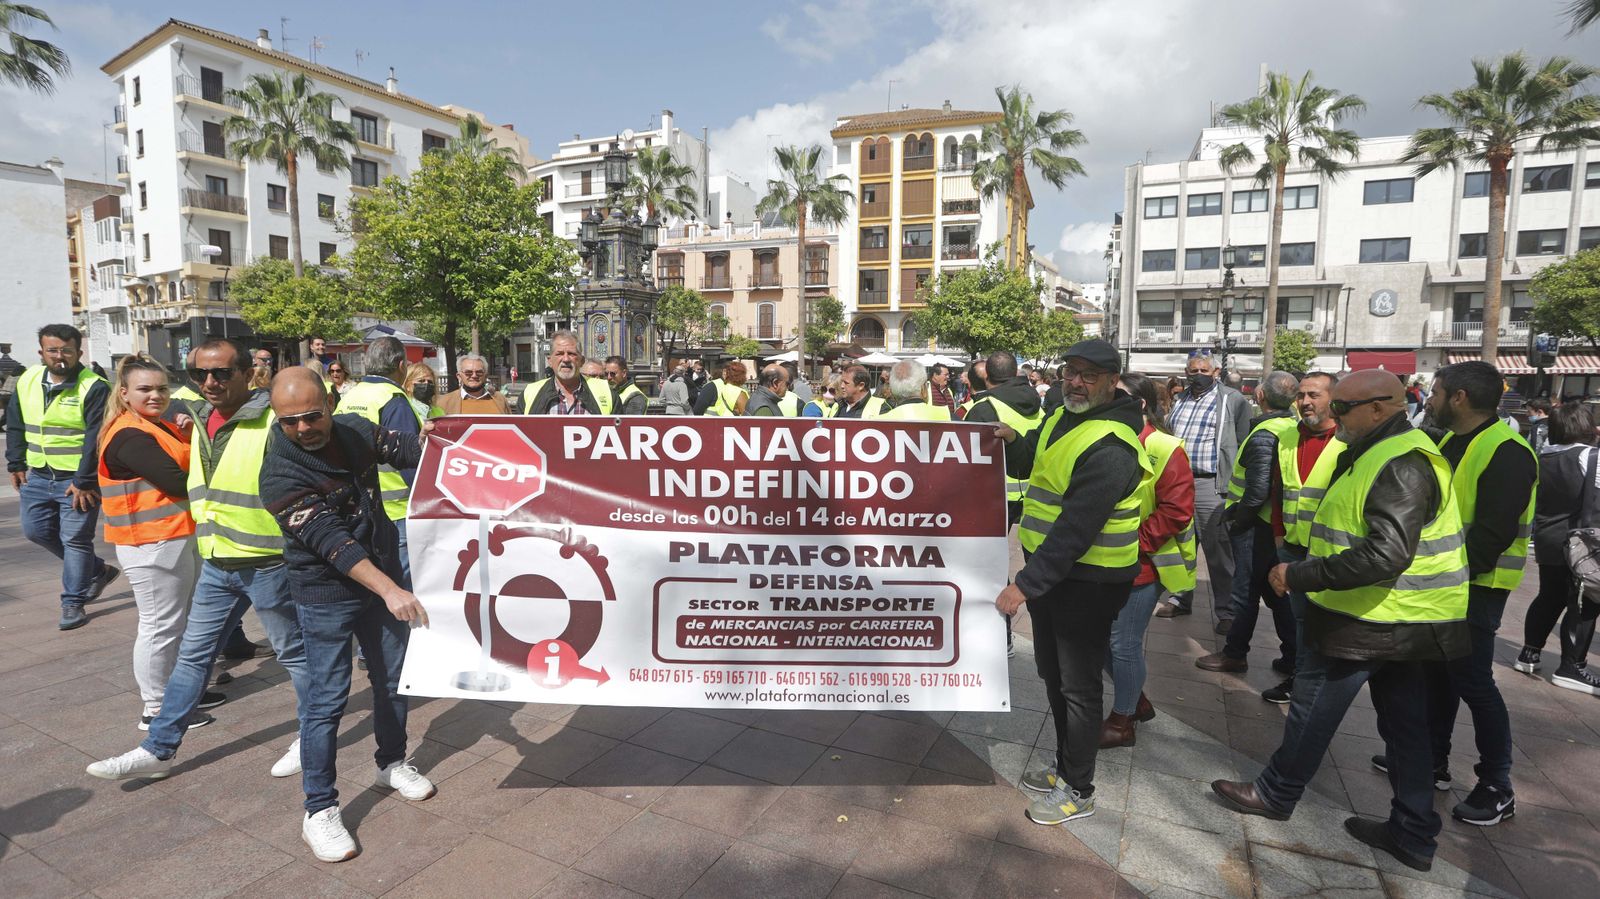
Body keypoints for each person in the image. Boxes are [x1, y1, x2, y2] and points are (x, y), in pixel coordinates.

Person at [1212, 370, 1469, 874]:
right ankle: (1413, 831)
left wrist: (1300, 574)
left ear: (1379, 408)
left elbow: (1385, 554)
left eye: (1342, 407)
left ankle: (1276, 793)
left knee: (1312, 707)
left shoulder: (1401, 461)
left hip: (1372, 616)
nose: (1333, 415)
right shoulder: (1384, 450)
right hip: (1399, 618)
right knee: (1405, 727)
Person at [87, 337, 307, 783]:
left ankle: (311, 736)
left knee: (295, 655)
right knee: (191, 657)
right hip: (217, 560)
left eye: (222, 373)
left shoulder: (269, 419)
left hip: (265, 561)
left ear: (248, 373)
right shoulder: (199, 418)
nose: (210, 382)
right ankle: (158, 749)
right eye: (198, 374)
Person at [260, 368, 437, 862]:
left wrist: (437, 436)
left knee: (392, 679)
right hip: (326, 594)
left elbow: (406, 449)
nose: (302, 428)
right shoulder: (279, 473)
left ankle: (391, 762)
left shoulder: (355, 430)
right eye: (289, 420)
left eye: (312, 416)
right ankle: (319, 809)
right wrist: (392, 589)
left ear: (331, 404)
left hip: (379, 579)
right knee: (326, 701)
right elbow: (332, 542)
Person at [995, 339, 1152, 825]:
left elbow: (1076, 529)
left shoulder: (1112, 444)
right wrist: (1011, 439)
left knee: (1079, 688)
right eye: (1070, 372)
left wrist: (1024, 585)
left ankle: (1078, 789)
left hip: (1090, 582)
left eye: (1088, 375)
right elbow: (1035, 465)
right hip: (1057, 578)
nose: (1076, 382)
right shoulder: (1063, 416)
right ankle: (1066, 767)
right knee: (1055, 676)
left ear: (1112, 381)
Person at [1386, 361, 1535, 826]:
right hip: (1445, 585)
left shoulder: (1508, 452)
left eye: (1434, 393)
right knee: (1437, 675)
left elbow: (1491, 537)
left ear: (1460, 398)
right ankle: (1433, 760)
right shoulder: (1451, 441)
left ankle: (1497, 784)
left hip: (1477, 589)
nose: (1428, 401)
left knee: (1473, 683)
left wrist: (1440, 576)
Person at [96, 354, 201, 729]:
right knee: (160, 627)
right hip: (151, 544)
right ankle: (156, 708)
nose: (156, 395)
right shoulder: (130, 434)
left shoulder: (155, 425)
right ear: (124, 393)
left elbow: (179, 464)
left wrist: (188, 433)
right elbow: (178, 481)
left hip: (169, 538)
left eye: (161, 389)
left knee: (175, 623)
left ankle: (178, 694)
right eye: (145, 389)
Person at [1102, 371, 1193, 748]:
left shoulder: (1164, 446)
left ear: (1139, 404)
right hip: (1109, 561)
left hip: (1144, 564)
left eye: (1115, 396)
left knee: (1122, 644)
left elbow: (1177, 510)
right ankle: (1135, 700)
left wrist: (1133, 544)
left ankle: (1122, 721)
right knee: (1105, 642)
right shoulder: (1111, 437)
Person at [5, 323, 117, 630]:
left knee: (76, 539)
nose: (59, 356)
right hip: (39, 475)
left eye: (66, 350)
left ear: (79, 352)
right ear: (41, 352)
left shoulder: (93, 386)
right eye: (52, 350)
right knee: (36, 531)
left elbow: (96, 437)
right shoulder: (28, 379)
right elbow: (15, 423)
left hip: (77, 481)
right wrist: (15, 463)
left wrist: (85, 481)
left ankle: (72, 602)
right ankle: (97, 571)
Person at [1195, 372, 1299, 671]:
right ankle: (1292, 656)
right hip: (1272, 526)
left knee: (1245, 593)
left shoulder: (1265, 434)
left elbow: (1257, 490)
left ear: (1260, 396)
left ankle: (1235, 653)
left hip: (1256, 528)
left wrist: (1239, 521)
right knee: (1275, 592)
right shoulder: (1290, 426)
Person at [1257, 371, 1343, 703]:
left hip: (1329, 553)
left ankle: (1310, 684)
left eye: (1314, 395)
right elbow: (1279, 490)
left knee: (1322, 623)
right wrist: (1279, 535)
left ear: (1333, 399)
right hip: (1292, 546)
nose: (1305, 402)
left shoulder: (1348, 440)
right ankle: (1301, 678)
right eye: (1301, 395)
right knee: (1300, 619)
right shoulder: (1287, 437)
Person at [1157, 349, 1252, 620]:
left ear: (1216, 372)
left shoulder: (1232, 400)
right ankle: (1180, 597)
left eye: (1204, 371)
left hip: (1211, 484)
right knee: (1182, 544)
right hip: (1178, 483)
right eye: (1193, 371)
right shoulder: (1180, 399)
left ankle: (1227, 611)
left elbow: (1242, 441)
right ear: (1186, 372)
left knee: (1218, 550)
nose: (1198, 375)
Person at [1516, 402, 1600, 692]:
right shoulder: (1591, 457)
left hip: (1549, 537)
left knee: (1549, 596)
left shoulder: (1545, 455)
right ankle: (1572, 666)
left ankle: (1529, 652)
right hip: (1583, 543)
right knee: (1586, 602)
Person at [337, 337, 424, 586]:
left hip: (357, 506)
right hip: (396, 511)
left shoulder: (350, 397)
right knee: (400, 586)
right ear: (401, 365)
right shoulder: (393, 399)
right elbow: (409, 459)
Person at [522, 331, 617, 415]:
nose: (566, 359)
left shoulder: (607, 393)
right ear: (550, 361)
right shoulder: (530, 393)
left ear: (582, 361)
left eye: (571, 354)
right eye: (559, 354)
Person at [879, 360, 951, 421]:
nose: (948, 377)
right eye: (946, 374)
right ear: (923, 389)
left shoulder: (879, 422)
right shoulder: (947, 417)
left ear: (892, 390)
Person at [436, 354, 508, 415]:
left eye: (479, 372)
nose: (474, 376)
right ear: (459, 376)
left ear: (485, 376)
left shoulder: (500, 399)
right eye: (468, 372)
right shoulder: (444, 402)